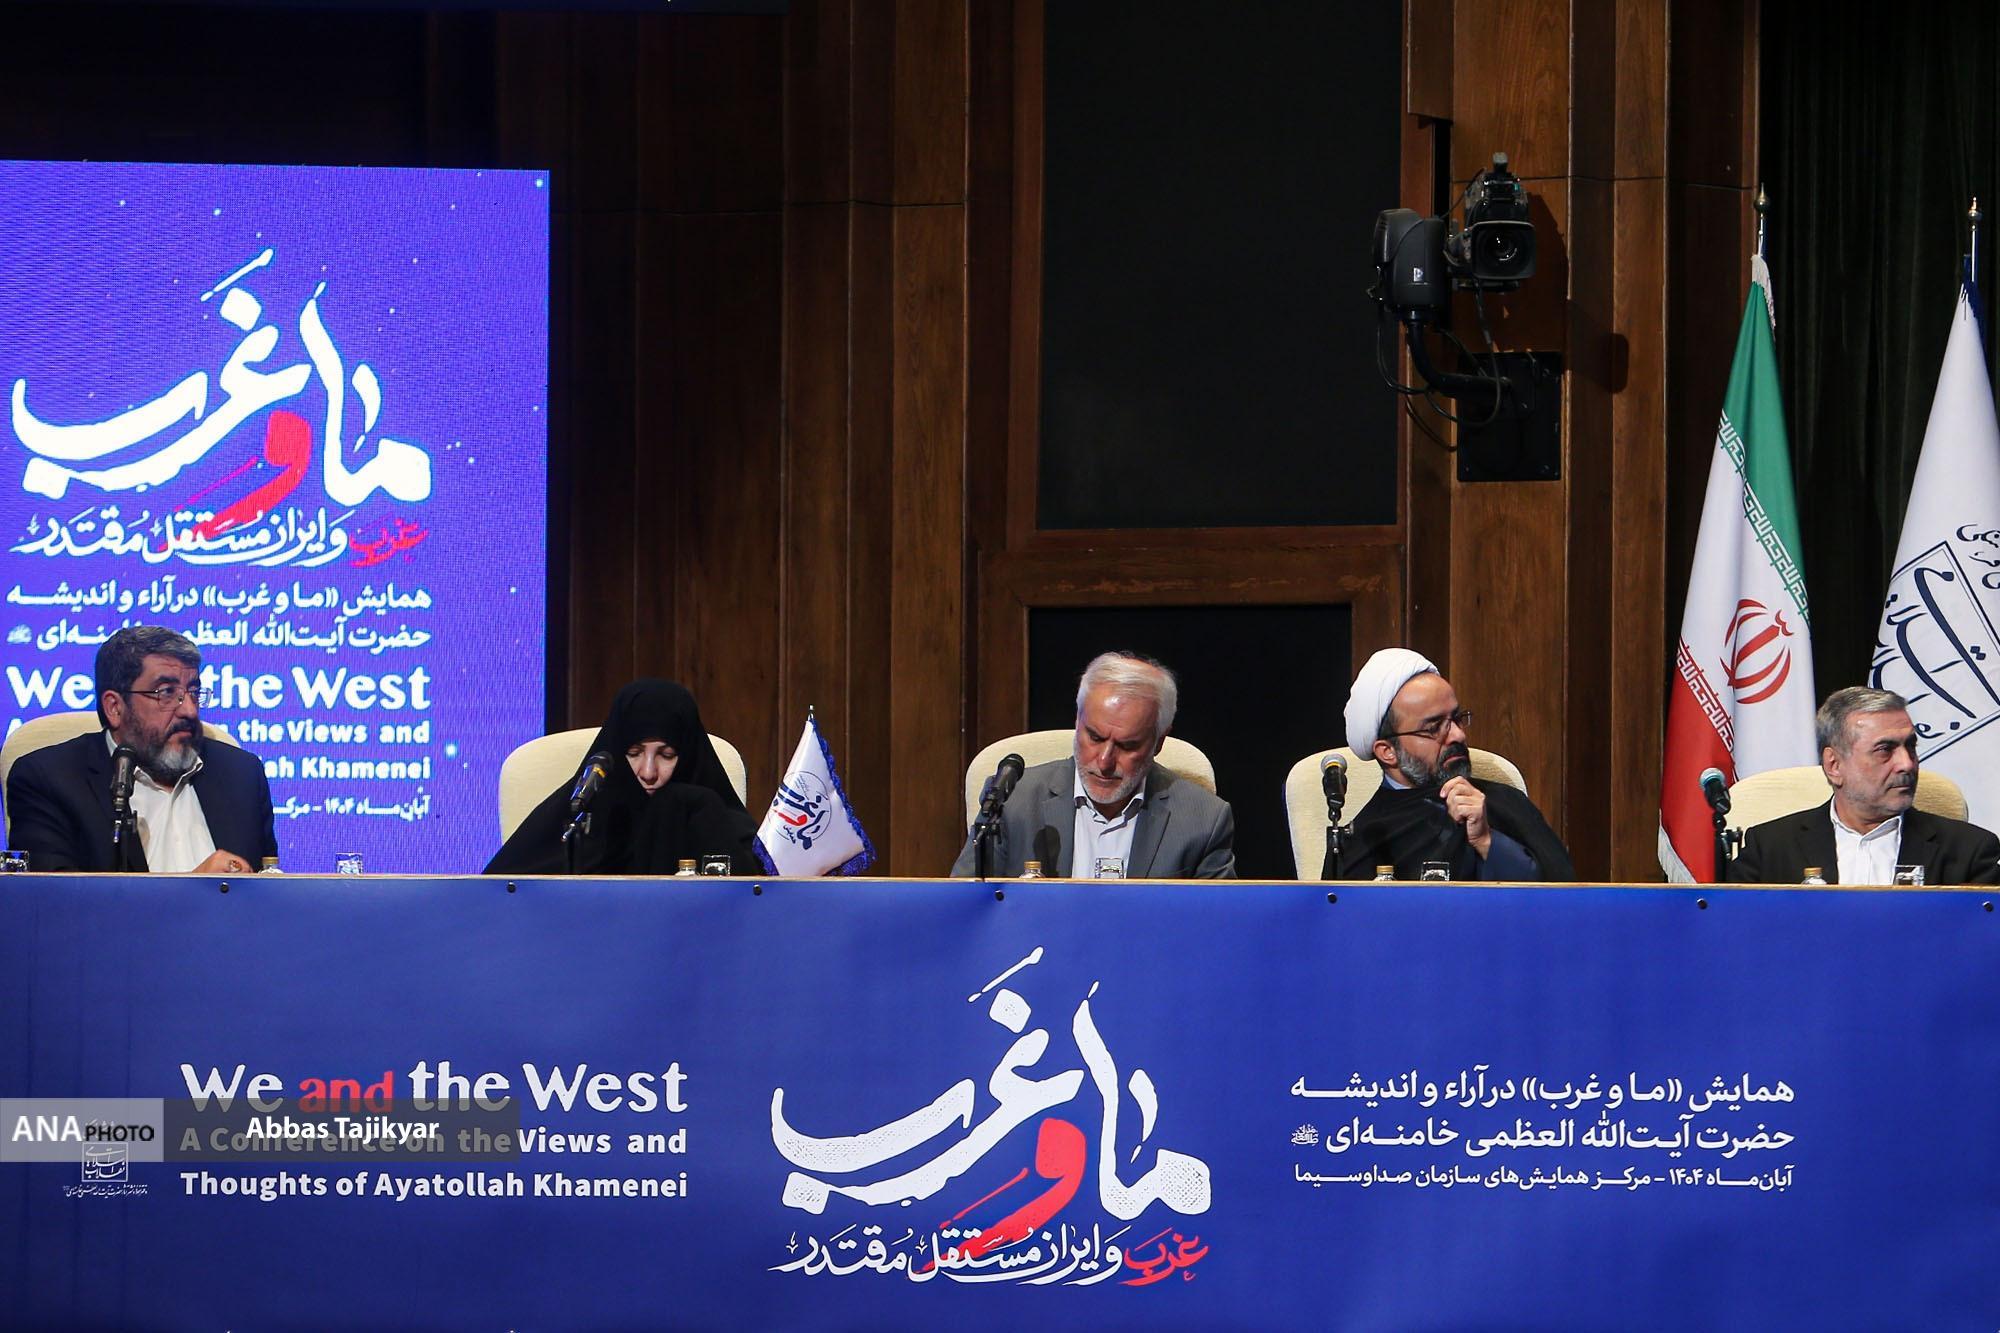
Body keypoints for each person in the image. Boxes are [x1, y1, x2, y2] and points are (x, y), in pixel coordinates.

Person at [5, 625, 276, 873]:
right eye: (166, 692)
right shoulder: (49, 780)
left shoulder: (242, 774)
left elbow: (270, 885)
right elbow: (54, 903)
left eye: (194, 692)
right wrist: (195, 891)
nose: (190, 710)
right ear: (115, 707)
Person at [950, 652, 1235, 879]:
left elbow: (1218, 925)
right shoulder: (1014, 801)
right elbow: (962, 910)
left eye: (1127, 746)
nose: (1104, 761)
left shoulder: (1203, 821)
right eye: (1095, 737)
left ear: (1158, 742)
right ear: (1077, 722)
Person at [1333, 648, 1573, 881]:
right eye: (1433, 728)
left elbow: (1562, 895)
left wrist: (1486, 840)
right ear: (1388, 752)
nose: (1458, 735)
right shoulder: (1363, 838)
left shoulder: (1504, 801)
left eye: (1457, 719)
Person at [484, 678, 757, 875]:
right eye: (634, 753)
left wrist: (695, 809)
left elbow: (755, 898)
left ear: (687, 754)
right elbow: (499, 893)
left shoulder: (707, 809)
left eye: (666, 755)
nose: (648, 772)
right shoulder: (585, 812)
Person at [1731, 686, 2000, 885]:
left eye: (1910, 746)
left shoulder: (1971, 851)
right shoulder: (1769, 849)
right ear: (1834, 765)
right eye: (1885, 749)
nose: (1907, 764)